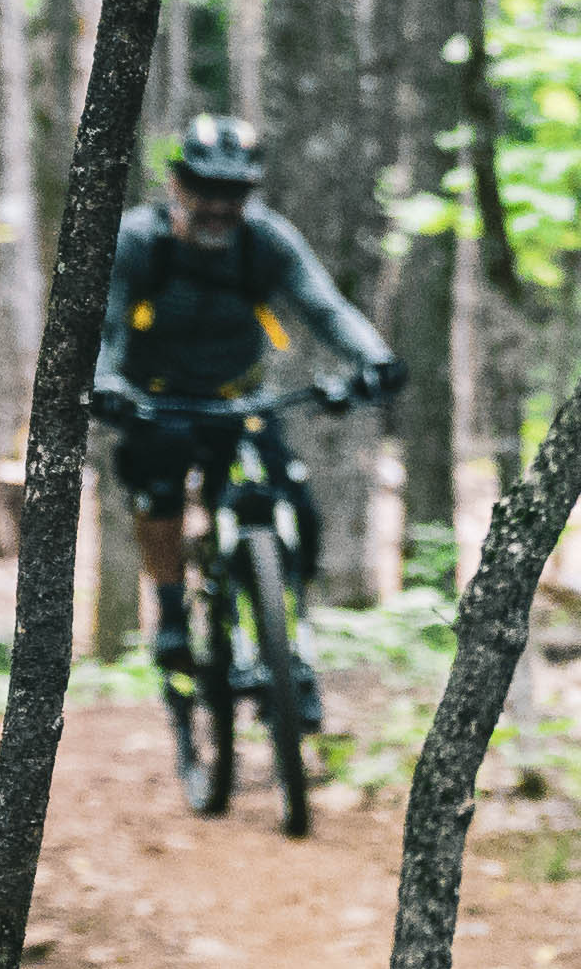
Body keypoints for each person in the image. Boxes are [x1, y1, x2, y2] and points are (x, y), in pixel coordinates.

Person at [89, 110, 401, 728]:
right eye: (204, 188)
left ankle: (291, 652)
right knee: (159, 492)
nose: (218, 206)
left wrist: (374, 359)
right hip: (157, 401)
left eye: (233, 192)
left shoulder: (267, 240)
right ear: (177, 183)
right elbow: (104, 327)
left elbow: (325, 308)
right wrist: (106, 384)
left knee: (297, 510)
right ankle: (171, 614)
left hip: (240, 398)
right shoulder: (138, 242)